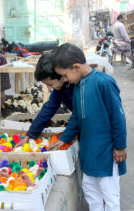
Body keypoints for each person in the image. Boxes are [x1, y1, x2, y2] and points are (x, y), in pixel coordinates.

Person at [49, 43, 127, 211]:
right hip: (88, 152)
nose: (65, 80)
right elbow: (76, 117)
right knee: (91, 191)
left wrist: (120, 146)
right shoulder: (77, 87)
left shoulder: (104, 83)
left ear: (76, 67)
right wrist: (64, 139)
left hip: (107, 152)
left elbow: (118, 117)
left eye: (65, 75)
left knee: (109, 193)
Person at [14, 53, 74, 147]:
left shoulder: (77, 86)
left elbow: (80, 115)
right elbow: (48, 109)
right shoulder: (59, 88)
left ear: (62, 75)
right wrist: (29, 135)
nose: (49, 88)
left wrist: (67, 136)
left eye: (50, 84)